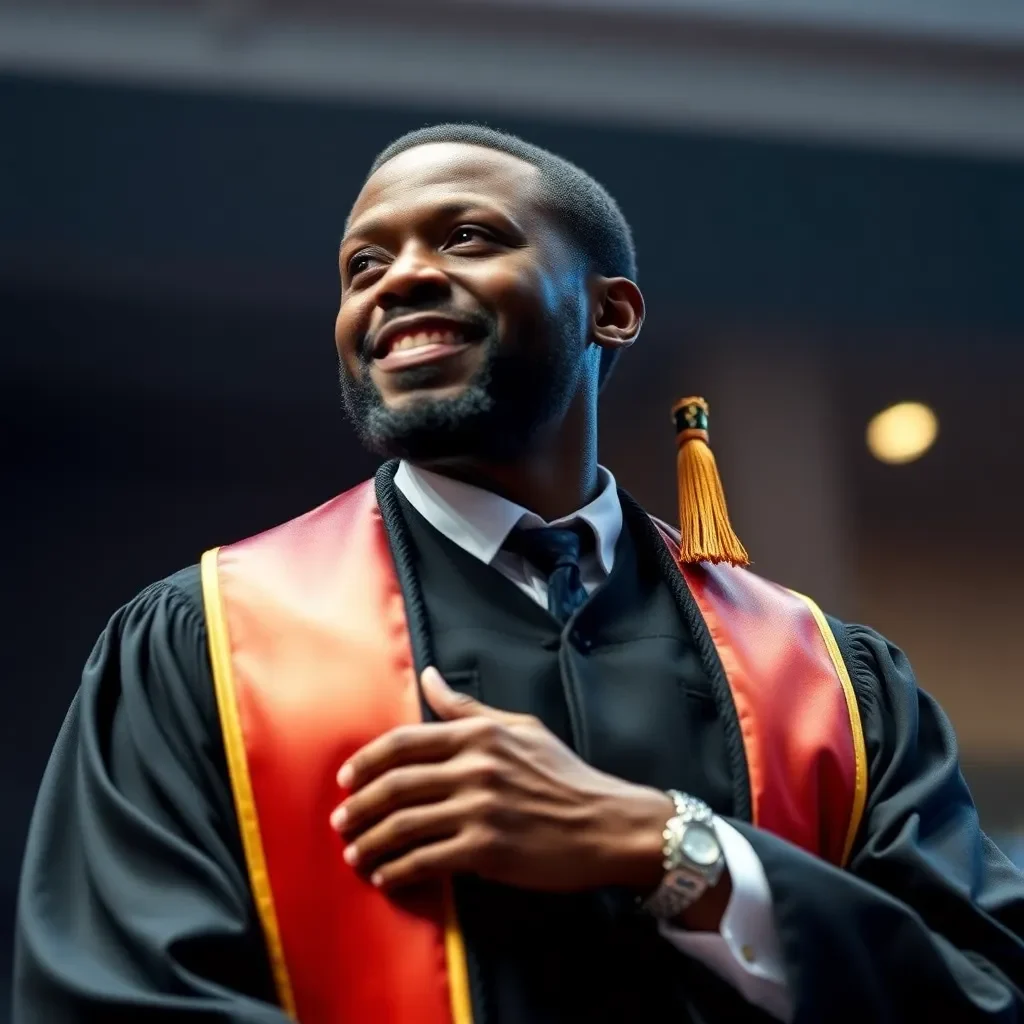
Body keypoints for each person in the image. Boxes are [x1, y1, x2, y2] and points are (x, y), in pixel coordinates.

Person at [13, 123, 1024, 1024]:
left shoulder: (832, 684)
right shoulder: (208, 641)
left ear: (611, 311)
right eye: (363, 262)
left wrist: (669, 847)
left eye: (465, 237)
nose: (394, 279)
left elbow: (984, 993)